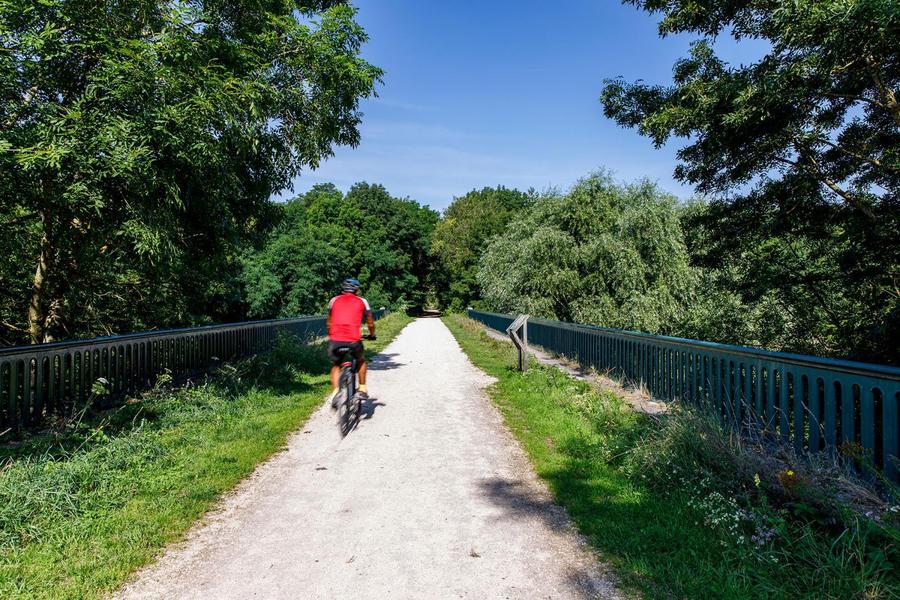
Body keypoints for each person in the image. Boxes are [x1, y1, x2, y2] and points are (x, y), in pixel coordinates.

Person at [327, 278, 376, 407]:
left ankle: (336, 392)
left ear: (343, 289)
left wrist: (331, 335)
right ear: (357, 290)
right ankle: (362, 389)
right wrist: (372, 335)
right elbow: (370, 322)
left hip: (335, 340)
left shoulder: (333, 300)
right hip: (353, 340)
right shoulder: (362, 301)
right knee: (361, 361)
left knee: (336, 364)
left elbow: (329, 322)